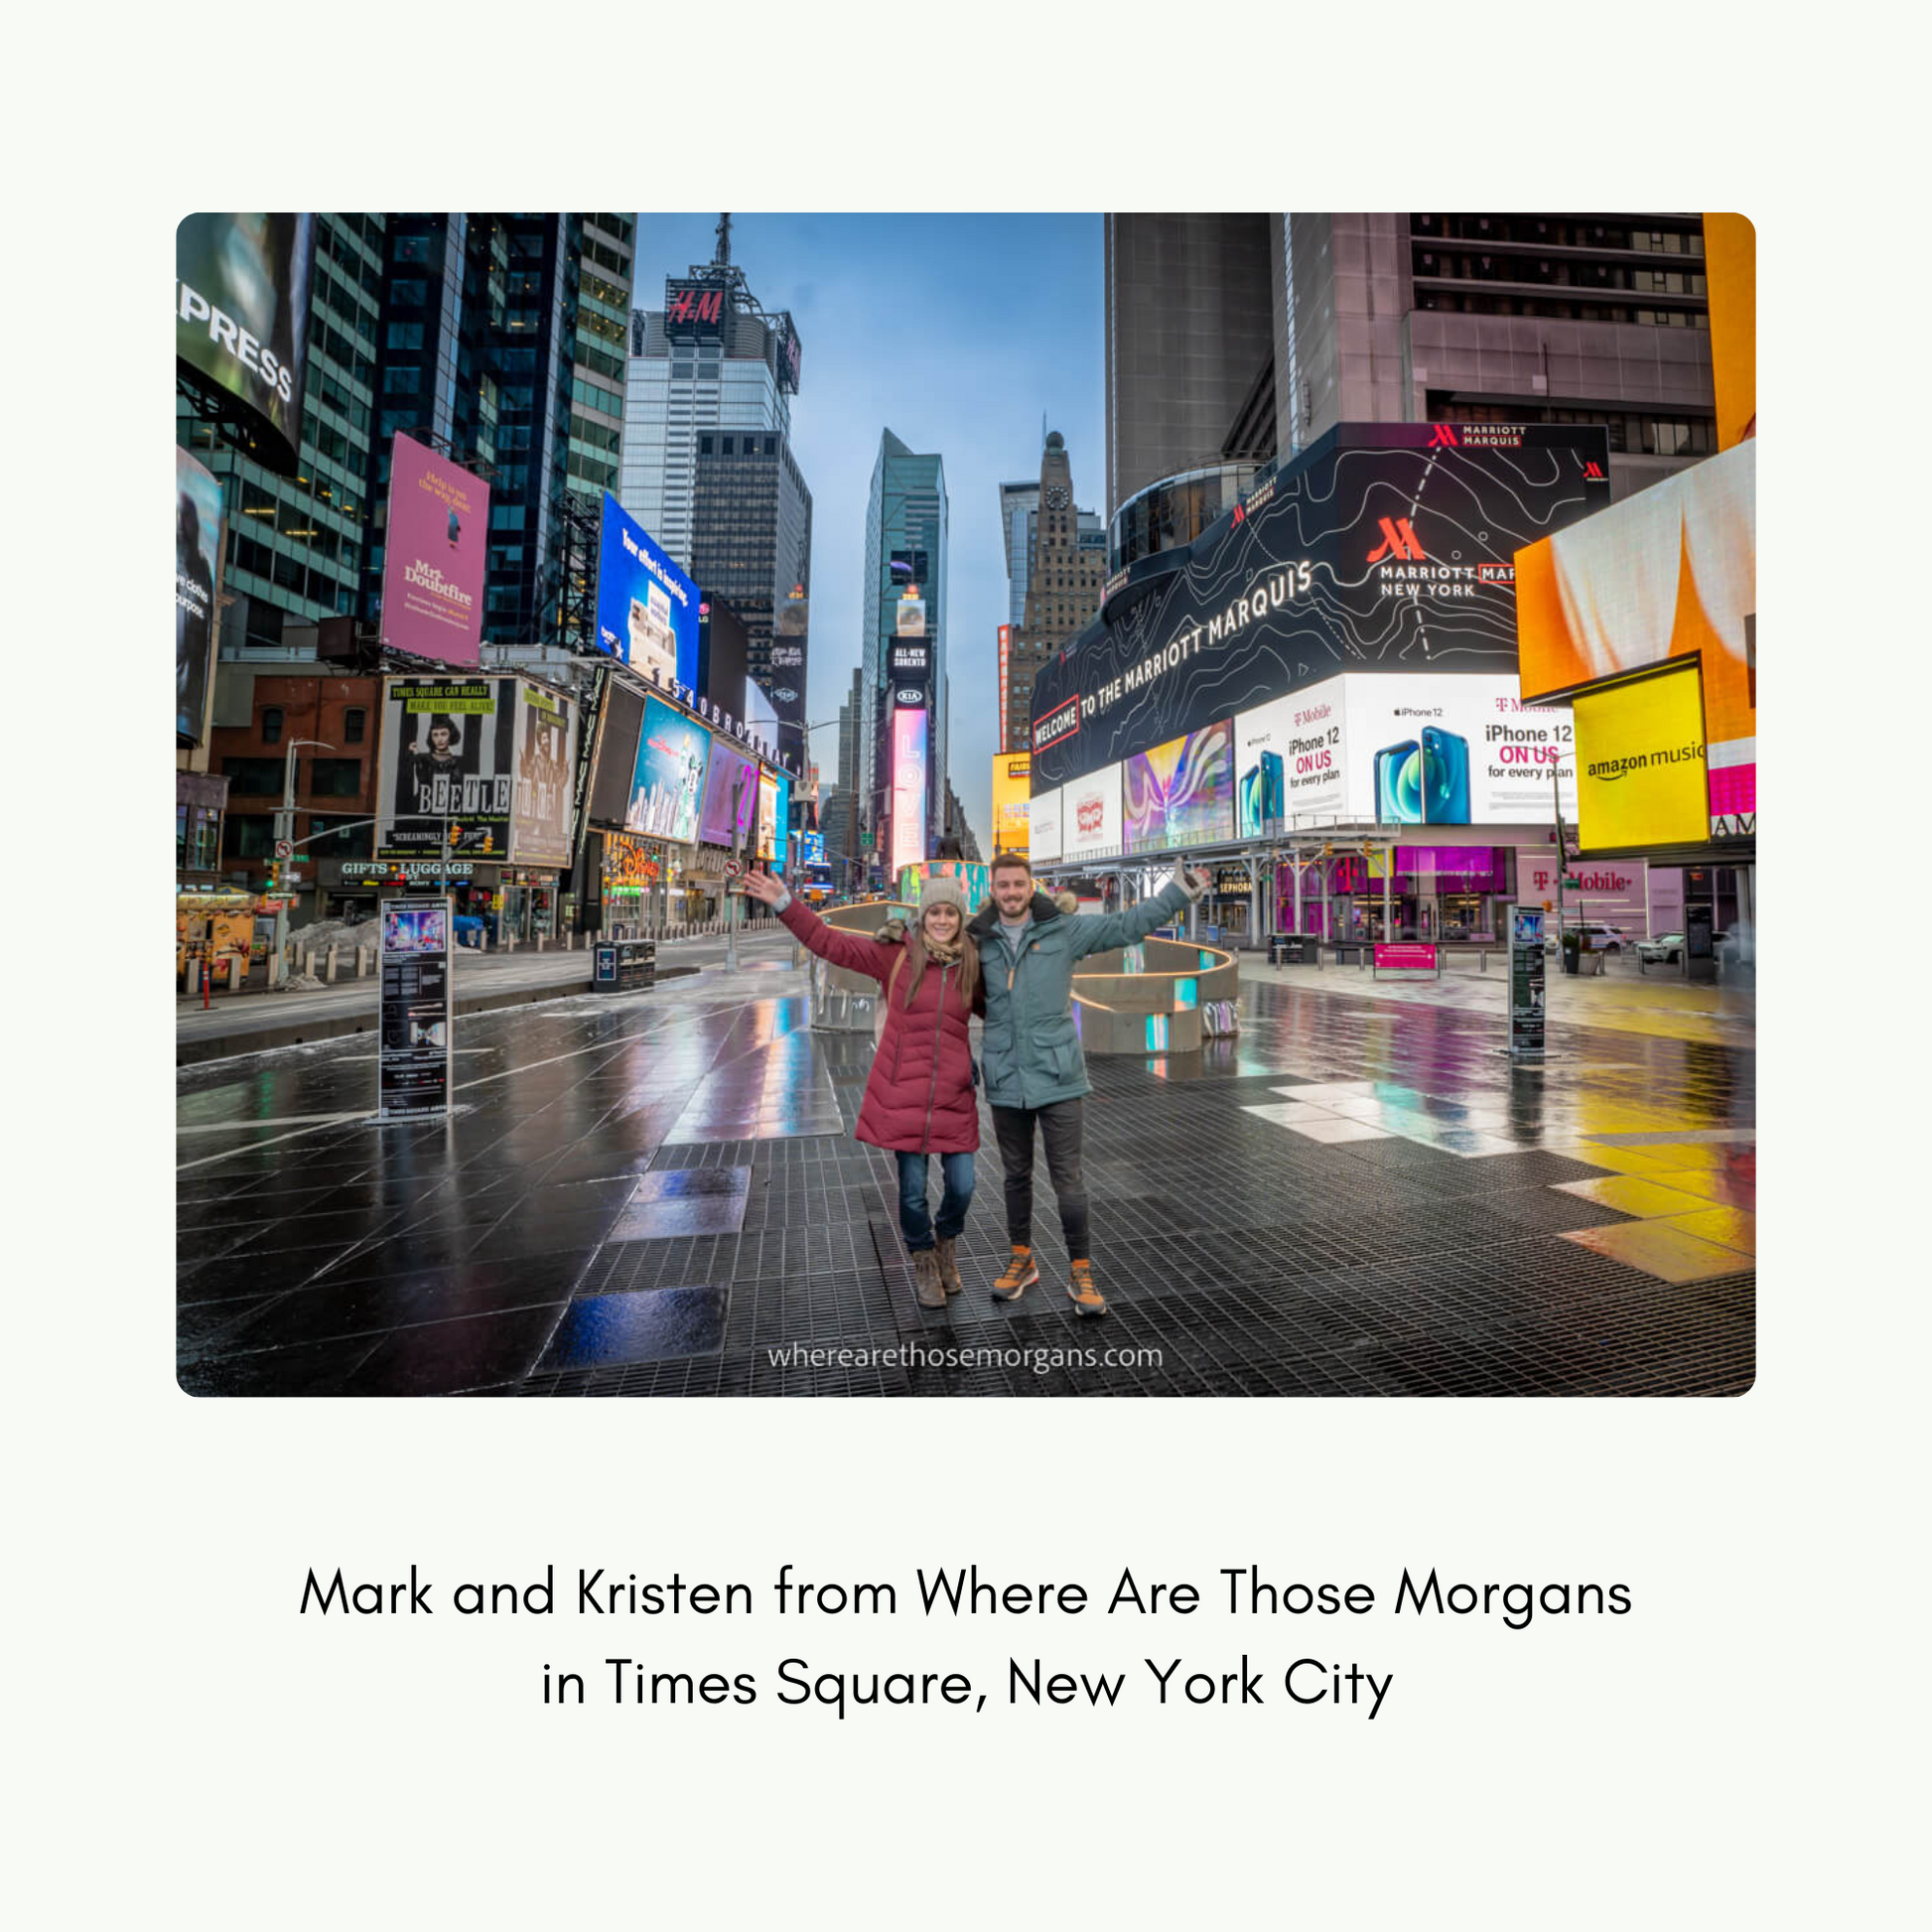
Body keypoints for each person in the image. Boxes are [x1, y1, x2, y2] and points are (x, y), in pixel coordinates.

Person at [932, 850, 1205, 1316]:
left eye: (1019, 884)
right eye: (1003, 886)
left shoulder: (1063, 929)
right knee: (1015, 1176)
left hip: (1059, 1075)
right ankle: (1022, 1259)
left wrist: (1178, 892)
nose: (1012, 893)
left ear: (1031, 885)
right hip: (1005, 1076)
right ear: (992, 891)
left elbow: (1127, 925)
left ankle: (1081, 1269)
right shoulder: (979, 940)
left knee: (1069, 1179)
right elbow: (932, 950)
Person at [739, 868, 984, 1311]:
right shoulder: (895, 957)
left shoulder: (971, 962)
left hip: (953, 1096)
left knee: (962, 1186)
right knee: (911, 1191)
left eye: (951, 913)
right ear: (923, 915)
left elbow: (1008, 1003)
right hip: (903, 1096)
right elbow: (830, 943)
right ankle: (924, 1259)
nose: (943, 920)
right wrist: (784, 904)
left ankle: (947, 1244)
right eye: (935, 912)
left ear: (960, 918)